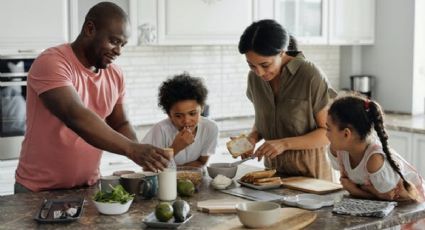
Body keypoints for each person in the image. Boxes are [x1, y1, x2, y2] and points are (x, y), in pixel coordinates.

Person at [15, 2, 169, 193]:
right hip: (38, 191)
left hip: (88, 187)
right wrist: (131, 149)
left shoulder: (115, 74)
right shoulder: (52, 62)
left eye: (123, 44)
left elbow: (120, 123)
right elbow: (75, 116)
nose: (119, 51)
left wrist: (143, 154)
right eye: (113, 41)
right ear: (90, 29)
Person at [237, 19, 336, 180]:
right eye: (251, 66)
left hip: (312, 177)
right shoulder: (254, 79)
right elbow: (264, 120)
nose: (259, 73)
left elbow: (328, 133)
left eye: (265, 65)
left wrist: (284, 144)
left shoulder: (310, 75)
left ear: (282, 52)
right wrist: (252, 138)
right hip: (273, 177)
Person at [326, 95, 425, 202]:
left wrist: (355, 191)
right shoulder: (339, 150)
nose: (326, 134)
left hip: (412, 206)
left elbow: (388, 200)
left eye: (328, 129)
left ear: (346, 134)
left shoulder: (375, 160)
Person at [142, 73, 219, 167]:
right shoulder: (160, 130)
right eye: (178, 116)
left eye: (192, 113)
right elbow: (148, 169)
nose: (186, 121)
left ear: (202, 108)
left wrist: (179, 172)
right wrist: (176, 147)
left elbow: (201, 162)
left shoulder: (210, 128)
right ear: (169, 115)